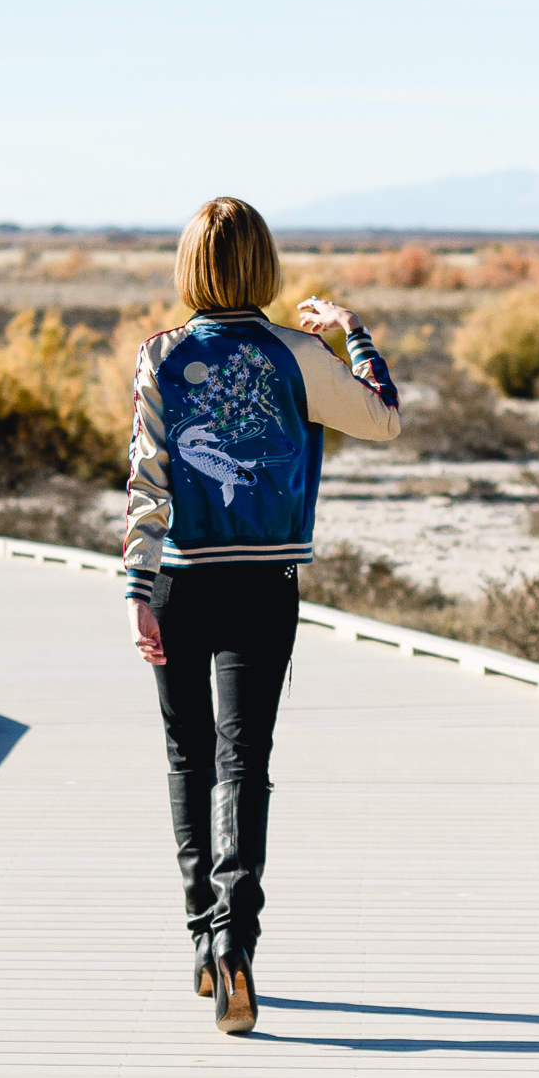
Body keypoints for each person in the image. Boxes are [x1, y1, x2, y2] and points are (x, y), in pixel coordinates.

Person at [124, 197, 401, 1034]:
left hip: (179, 582)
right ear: (264, 265)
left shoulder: (161, 357)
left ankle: (204, 944)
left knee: (188, 757)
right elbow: (382, 418)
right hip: (263, 583)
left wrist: (139, 590)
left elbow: (147, 481)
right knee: (245, 760)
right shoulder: (299, 353)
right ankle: (238, 943)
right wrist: (350, 330)